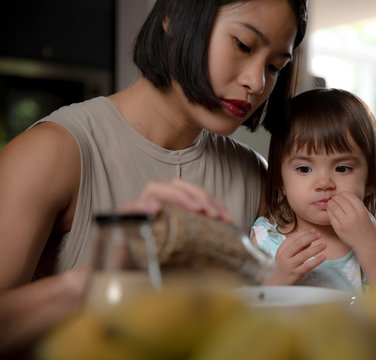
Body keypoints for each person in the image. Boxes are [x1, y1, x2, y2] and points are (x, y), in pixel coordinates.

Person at [0, 0, 307, 355]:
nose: (256, 82)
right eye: (242, 44)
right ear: (174, 16)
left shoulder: (254, 176)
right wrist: (101, 281)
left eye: (274, 67)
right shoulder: (54, 152)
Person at [251, 88, 376, 292]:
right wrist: (278, 279)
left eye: (342, 168)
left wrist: (369, 246)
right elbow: (245, 312)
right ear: (281, 181)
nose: (324, 183)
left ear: (369, 181)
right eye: (304, 169)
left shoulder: (374, 242)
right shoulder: (265, 239)